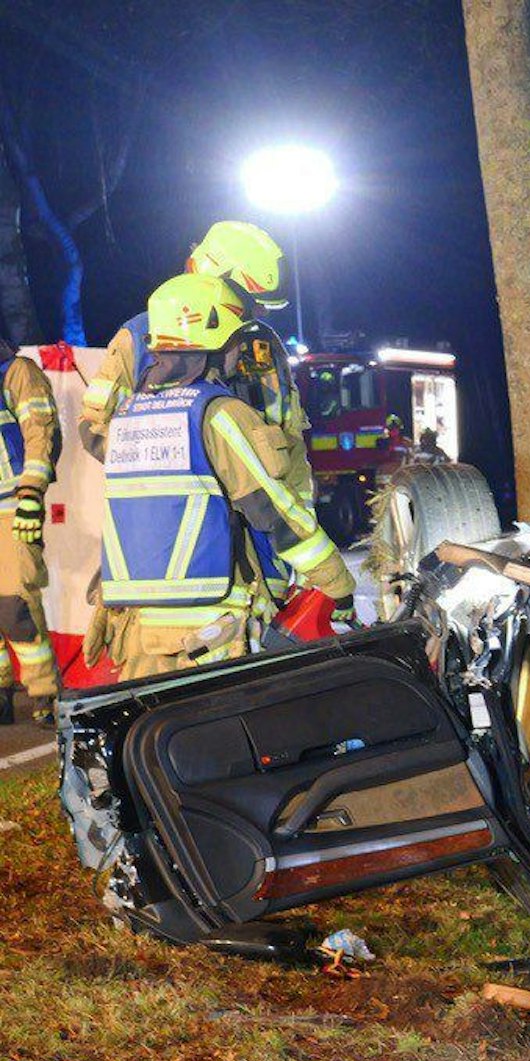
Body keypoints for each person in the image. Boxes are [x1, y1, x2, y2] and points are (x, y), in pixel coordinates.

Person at [88, 274, 353, 681]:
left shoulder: (127, 418)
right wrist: (338, 585)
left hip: (139, 628)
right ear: (215, 344)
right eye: (234, 343)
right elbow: (274, 514)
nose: (238, 354)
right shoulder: (219, 414)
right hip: (211, 629)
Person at [79, 221, 308, 493]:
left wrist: (300, 515)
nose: (261, 314)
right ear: (213, 280)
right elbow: (94, 430)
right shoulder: (139, 338)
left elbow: (291, 439)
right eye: (254, 304)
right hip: (181, 520)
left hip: (261, 519)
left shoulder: (263, 344)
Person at [0, 338, 60, 721]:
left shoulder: (17, 373)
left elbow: (40, 433)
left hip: (11, 506)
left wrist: (30, 495)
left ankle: (45, 696)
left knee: (14, 605)